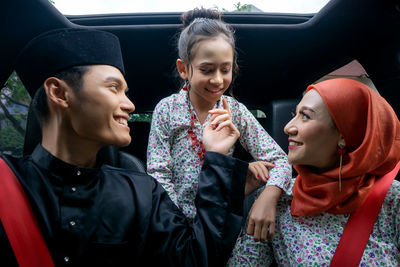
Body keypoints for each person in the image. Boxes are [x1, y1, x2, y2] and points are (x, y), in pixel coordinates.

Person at [0, 27, 252, 266]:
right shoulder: (6, 184)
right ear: (59, 93)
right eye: (114, 88)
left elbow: (197, 259)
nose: (129, 105)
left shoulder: (143, 194)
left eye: (126, 92)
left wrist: (217, 158)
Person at [146, 8, 291, 265]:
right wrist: (179, 224)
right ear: (184, 69)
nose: (217, 80)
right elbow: (158, 174)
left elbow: (280, 161)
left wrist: (268, 197)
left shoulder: (234, 111)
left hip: (227, 224)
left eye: (225, 70)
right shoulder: (166, 110)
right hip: (178, 225)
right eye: (206, 69)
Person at [229, 78, 400, 266]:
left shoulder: (392, 200)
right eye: (295, 114)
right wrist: (229, 200)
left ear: (343, 135)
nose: (287, 128)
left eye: (306, 116)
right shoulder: (276, 199)